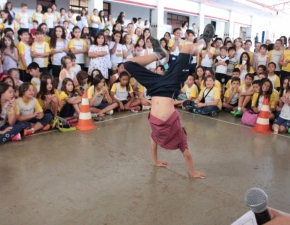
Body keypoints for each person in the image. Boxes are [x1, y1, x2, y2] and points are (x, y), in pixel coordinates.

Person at [124, 24, 215, 177]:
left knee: (128, 64)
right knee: (186, 49)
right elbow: (187, 156)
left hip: (154, 87)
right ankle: (205, 41)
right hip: (171, 85)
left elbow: (153, 147)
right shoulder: (180, 138)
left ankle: (158, 54)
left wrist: (156, 162)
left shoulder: (156, 135)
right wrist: (192, 172)